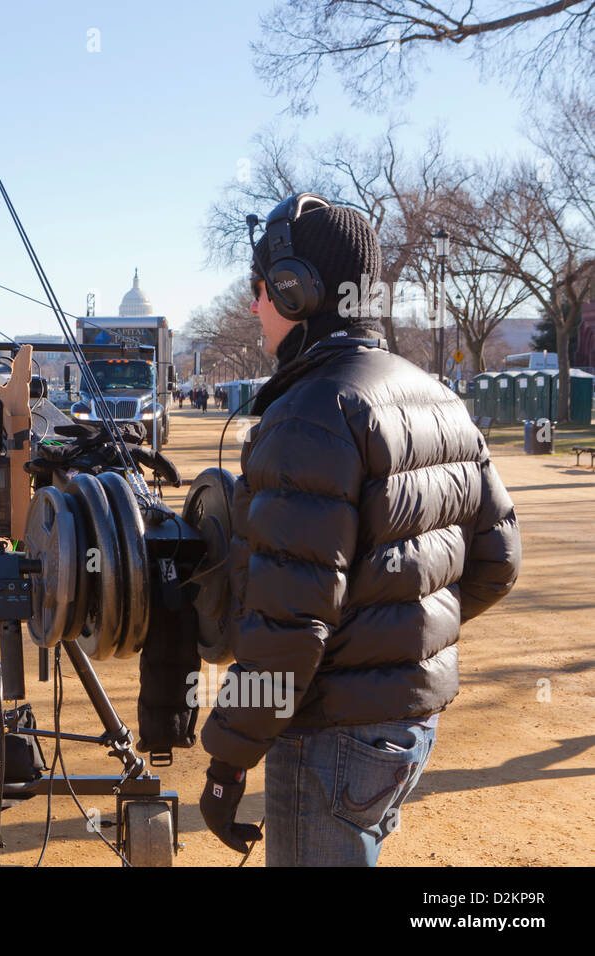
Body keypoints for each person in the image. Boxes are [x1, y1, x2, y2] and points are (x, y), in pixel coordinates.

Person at [198, 194, 521, 866]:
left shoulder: (309, 413)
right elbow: (498, 562)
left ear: (294, 291)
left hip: (331, 737)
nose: (255, 305)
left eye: (261, 288)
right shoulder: (439, 396)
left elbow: (291, 628)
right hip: (409, 726)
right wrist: (398, 640)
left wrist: (229, 758)